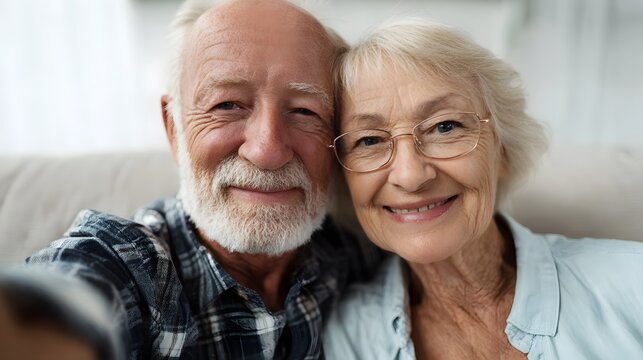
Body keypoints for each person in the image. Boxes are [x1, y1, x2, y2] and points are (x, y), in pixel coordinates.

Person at [0, 0, 380, 358]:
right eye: (227, 105)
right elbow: (69, 298)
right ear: (174, 128)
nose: (267, 150)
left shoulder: (357, 252)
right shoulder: (129, 263)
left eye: (304, 110)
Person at [323, 18, 643, 359]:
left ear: (502, 150)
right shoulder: (346, 336)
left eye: (445, 127)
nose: (411, 175)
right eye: (368, 140)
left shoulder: (632, 283)